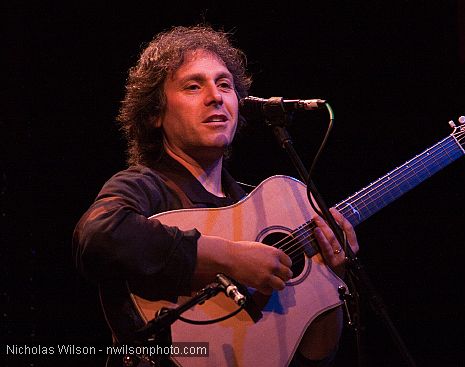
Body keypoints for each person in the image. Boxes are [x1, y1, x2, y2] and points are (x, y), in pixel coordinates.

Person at [73, 25, 359, 366]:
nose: (216, 96)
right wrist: (229, 257)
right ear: (154, 113)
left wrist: (330, 280)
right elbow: (98, 236)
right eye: (194, 86)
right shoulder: (144, 185)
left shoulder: (263, 209)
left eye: (225, 85)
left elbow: (311, 358)